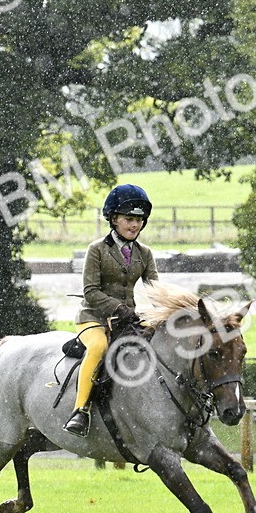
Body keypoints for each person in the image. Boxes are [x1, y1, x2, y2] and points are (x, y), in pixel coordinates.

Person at [64, 184, 159, 436]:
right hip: (93, 318)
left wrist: (163, 312)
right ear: (114, 219)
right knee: (99, 348)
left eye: (139, 220)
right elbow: (91, 291)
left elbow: (155, 290)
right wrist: (118, 307)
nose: (134, 225)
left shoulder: (145, 254)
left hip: (128, 321)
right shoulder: (96, 250)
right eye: (129, 219)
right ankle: (80, 410)